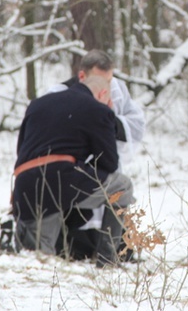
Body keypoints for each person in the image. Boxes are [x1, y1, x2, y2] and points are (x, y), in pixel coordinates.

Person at [12, 75, 134, 267]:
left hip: (25, 184)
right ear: (102, 93)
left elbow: (22, 151)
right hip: (62, 182)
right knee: (122, 186)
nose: (109, 105)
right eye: (109, 100)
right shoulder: (98, 109)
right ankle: (108, 259)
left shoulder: (37, 104)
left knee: (38, 259)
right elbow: (109, 163)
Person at [43, 50, 146, 261]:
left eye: (109, 80)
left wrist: (108, 123)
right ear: (82, 76)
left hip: (107, 170)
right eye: (101, 81)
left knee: (119, 188)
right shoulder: (59, 93)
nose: (107, 87)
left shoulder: (118, 90)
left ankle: (112, 249)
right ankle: (73, 244)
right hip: (69, 174)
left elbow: (137, 125)